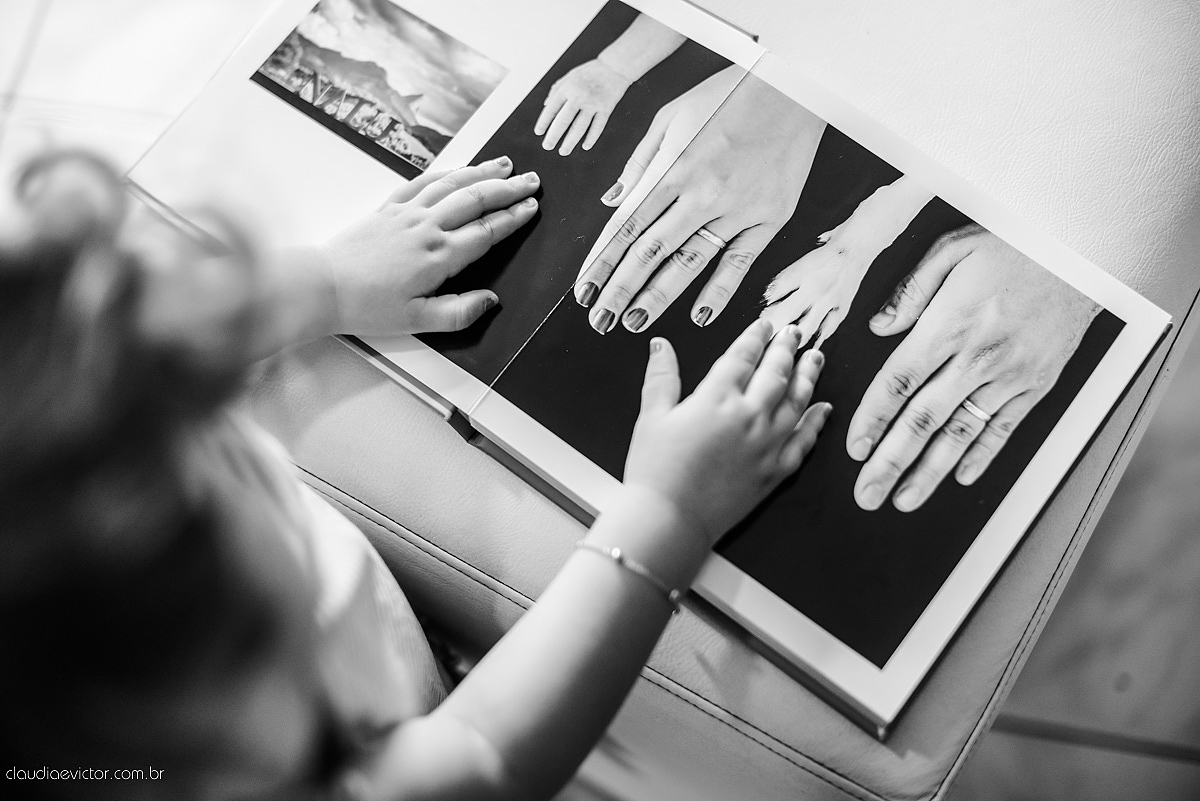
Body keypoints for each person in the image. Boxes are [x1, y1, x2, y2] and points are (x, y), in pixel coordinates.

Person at [0, 150, 830, 800]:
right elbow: (482, 756)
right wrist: (666, 514)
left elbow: (134, 344)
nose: (215, 417)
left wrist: (322, 284)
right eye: (209, 456)